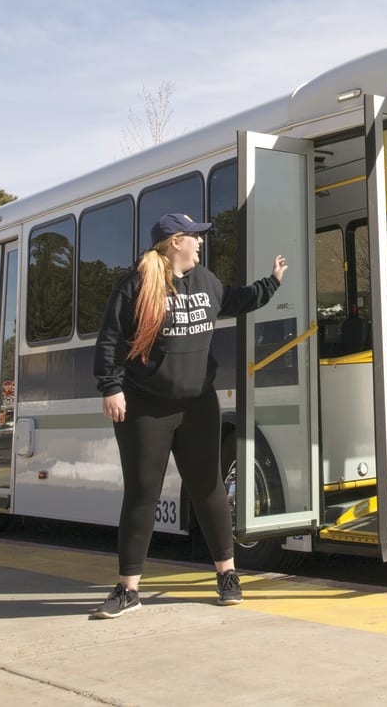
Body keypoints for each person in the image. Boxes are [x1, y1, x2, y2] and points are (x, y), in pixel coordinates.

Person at [91, 211, 287, 618]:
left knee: (209, 488)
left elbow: (236, 299)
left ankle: (227, 575)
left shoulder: (205, 281)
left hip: (198, 404)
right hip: (146, 408)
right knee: (142, 493)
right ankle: (128, 589)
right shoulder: (135, 286)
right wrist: (111, 388)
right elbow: (109, 338)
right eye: (194, 237)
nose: (201, 242)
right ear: (175, 242)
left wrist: (271, 283)